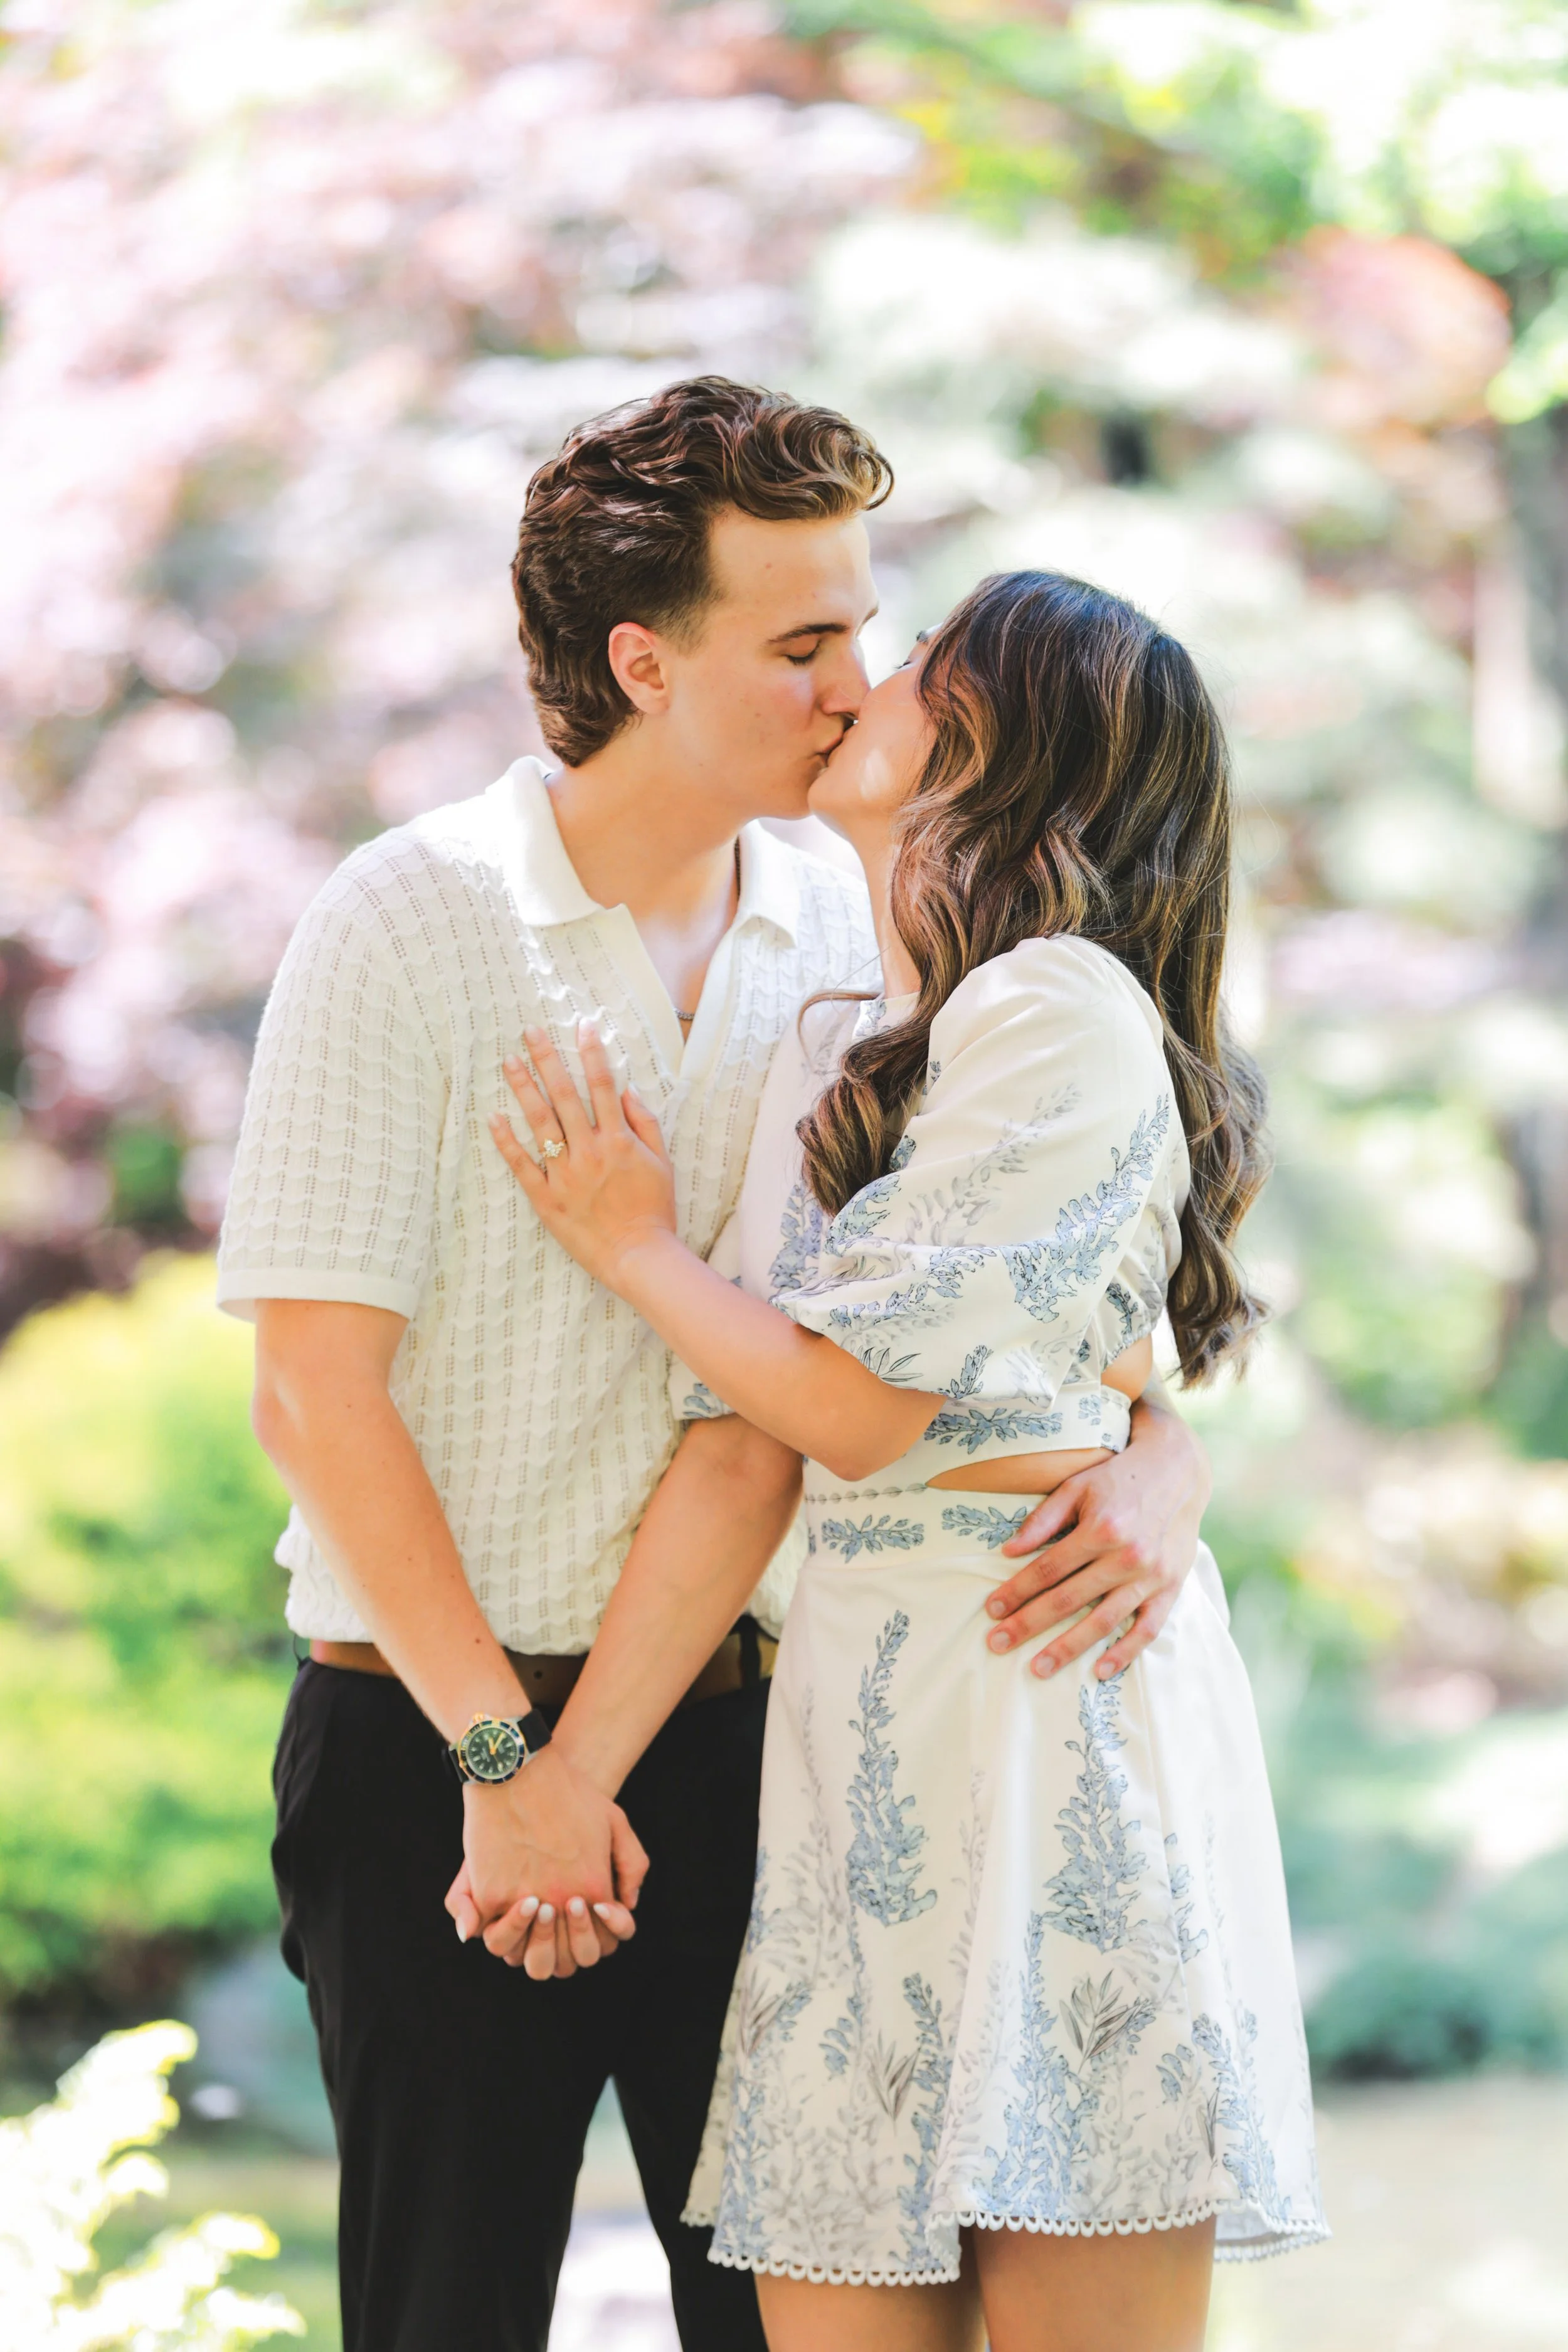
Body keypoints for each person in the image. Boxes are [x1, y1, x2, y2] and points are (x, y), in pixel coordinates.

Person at [218, 378, 1212, 2352]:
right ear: (640, 660)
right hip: (433, 1752)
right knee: (444, 2321)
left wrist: (1164, 1457)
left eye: (863, 623)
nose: (859, 681)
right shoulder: (410, 916)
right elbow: (311, 1397)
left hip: (774, 1746)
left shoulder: (866, 922)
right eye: (801, 641)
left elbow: (990, 1320)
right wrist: (512, 1762)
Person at [481, 567, 1328, 2352]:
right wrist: (561, 1773)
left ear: (1009, 744)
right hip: (869, 1738)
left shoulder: (1056, 1008)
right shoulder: (869, 1035)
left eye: (922, 659)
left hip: (1039, 1712)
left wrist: (631, 1241)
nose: (867, 676)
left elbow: (855, 1406)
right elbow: (797, 1425)